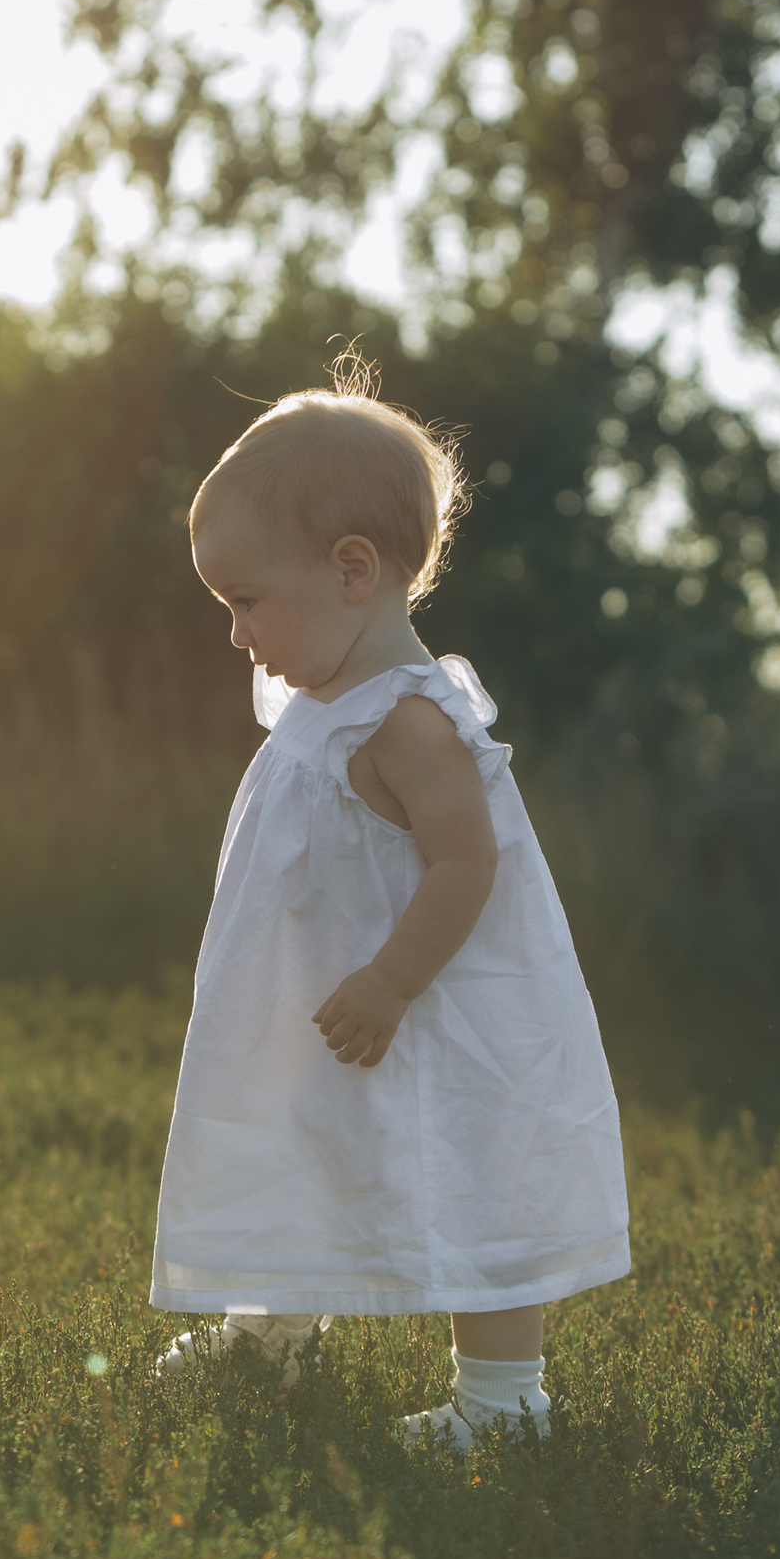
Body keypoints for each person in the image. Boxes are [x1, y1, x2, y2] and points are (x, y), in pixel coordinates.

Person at [144, 360, 629, 1448]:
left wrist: (392, 980)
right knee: (293, 1135)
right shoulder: (314, 704)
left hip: (438, 1010)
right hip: (325, 1004)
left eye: (245, 601)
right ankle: (269, 1325)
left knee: (484, 1170)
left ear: (352, 570)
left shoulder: (413, 722)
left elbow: (467, 865)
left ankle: (505, 1404)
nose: (235, 637)